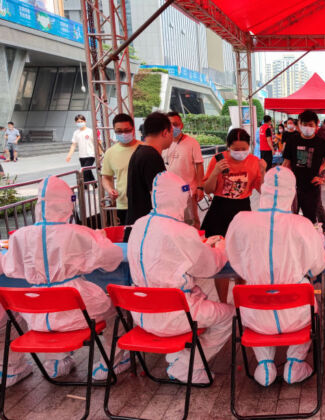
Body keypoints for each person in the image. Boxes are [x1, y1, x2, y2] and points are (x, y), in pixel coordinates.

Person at [2, 176, 128, 380]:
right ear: (67, 203)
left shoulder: (19, 236)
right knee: (116, 309)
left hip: (36, 317)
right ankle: (113, 361)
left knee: (12, 314)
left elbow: (10, 267)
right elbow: (111, 258)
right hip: (77, 312)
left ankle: (52, 362)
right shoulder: (78, 233)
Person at [127, 171, 234, 383]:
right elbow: (209, 266)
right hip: (177, 315)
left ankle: (181, 356)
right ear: (179, 198)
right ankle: (188, 364)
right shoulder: (181, 232)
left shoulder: (138, 225)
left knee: (202, 290)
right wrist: (220, 249)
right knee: (229, 314)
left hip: (140, 314)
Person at [226, 166, 325, 386]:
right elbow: (318, 265)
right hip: (297, 313)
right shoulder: (302, 225)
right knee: (313, 304)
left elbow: (233, 258)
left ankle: (264, 365)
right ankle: (294, 362)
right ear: (291, 193)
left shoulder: (241, 220)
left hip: (255, 314)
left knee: (256, 304)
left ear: (264, 189)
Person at [201, 128, 263, 237]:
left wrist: (263, 172)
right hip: (220, 208)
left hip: (242, 207)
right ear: (228, 147)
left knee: (241, 243)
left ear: (249, 146)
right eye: (236, 149)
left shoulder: (254, 161)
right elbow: (207, 190)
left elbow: (262, 190)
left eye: (244, 149)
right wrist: (215, 172)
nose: (240, 152)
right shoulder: (218, 160)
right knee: (217, 245)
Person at [282, 110, 325, 224]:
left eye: (311, 125)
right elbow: (286, 164)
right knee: (291, 218)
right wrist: (282, 181)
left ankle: (318, 234)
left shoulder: (321, 143)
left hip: (312, 187)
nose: (307, 127)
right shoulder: (292, 141)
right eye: (304, 124)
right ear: (299, 124)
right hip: (293, 187)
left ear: (316, 125)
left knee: (310, 220)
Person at [125, 112, 172, 227]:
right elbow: (158, 198)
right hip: (147, 227)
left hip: (139, 223)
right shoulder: (151, 157)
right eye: (171, 132)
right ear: (165, 132)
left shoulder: (140, 152)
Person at [161, 112, 204, 228]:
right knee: (172, 222)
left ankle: (194, 242)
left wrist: (200, 187)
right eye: (170, 125)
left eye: (176, 124)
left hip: (188, 190)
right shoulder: (163, 143)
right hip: (168, 191)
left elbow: (199, 166)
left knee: (191, 221)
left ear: (181, 125)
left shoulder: (192, 143)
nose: (173, 127)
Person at [101, 113, 141, 225]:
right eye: (119, 131)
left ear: (133, 129)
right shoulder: (110, 152)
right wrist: (110, 189)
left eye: (127, 130)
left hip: (145, 204)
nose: (123, 134)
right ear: (114, 131)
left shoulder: (144, 149)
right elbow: (106, 177)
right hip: (123, 204)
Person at [66, 114, 100, 182]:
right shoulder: (76, 133)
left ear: (85, 121)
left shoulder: (90, 131)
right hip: (81, 156)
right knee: (88, 172)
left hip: (91, 155)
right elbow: (73, 144)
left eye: (81, 121)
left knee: (84, 172)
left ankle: (84, 187)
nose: (80, 123)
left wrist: (99, 154)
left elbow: (98, 143)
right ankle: (95, 185)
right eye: (78, 122)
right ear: (76, 123)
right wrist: (69, 155)